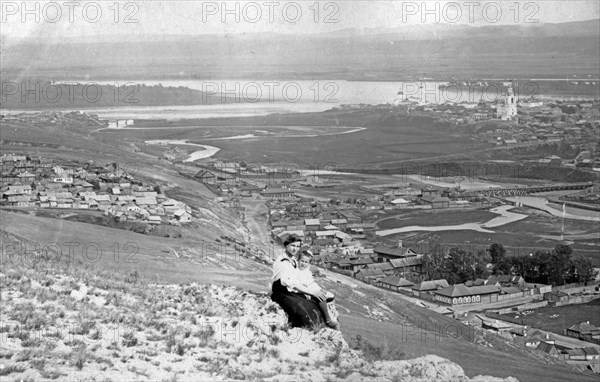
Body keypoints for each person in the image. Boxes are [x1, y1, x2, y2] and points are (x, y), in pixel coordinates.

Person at [271, 234, 327, 328]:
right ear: (286, 245)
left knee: (312, 303)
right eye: (292, 246)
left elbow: (298, 278)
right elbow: (293, 283)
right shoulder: (283, 262)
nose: (295, 249)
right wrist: (312, 292)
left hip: (289, 290)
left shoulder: (292, 259)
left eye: (297, 246)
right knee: (302, 309)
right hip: (281, 292)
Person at [296, 250, 339, 330]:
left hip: (312, 287)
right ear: (298, 260)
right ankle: (328, 319)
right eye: (302, 261)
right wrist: (307, 293)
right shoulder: (296, 271)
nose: (303, 264)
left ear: (308, 264)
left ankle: (331, 312)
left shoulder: (307, 271)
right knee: (321, 297)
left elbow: (311, 282)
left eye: (306, 262)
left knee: (331, 295)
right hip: (305, 290)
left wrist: (319, 289)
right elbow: (299, 285)